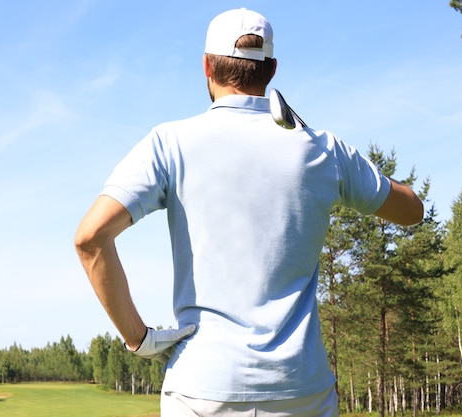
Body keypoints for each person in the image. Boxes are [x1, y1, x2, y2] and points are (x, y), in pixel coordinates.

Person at [74, 7, 423, 417]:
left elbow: (90, 237)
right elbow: (412, 210)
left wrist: (139, 338)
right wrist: (327, 158)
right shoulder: (323, 148)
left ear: (206, 65)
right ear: (272, 70)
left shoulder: (169, 143)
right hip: (301, 390)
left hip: (200, 390)